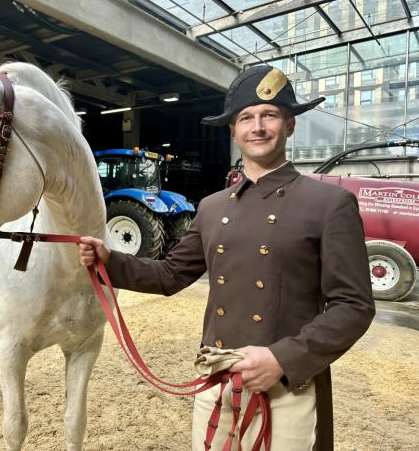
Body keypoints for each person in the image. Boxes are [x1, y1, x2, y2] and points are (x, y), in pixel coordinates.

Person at [79, 65, 375, 451]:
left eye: (269, 115)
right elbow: (171, 275)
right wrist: (110, 260)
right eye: (246, 118)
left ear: (289, 126)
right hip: (217, 375)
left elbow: (353, 306)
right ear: (233, 131)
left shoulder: (330, 204)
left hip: (288, 385)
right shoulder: (213, 206)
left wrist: (282, 359)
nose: (258, 126)